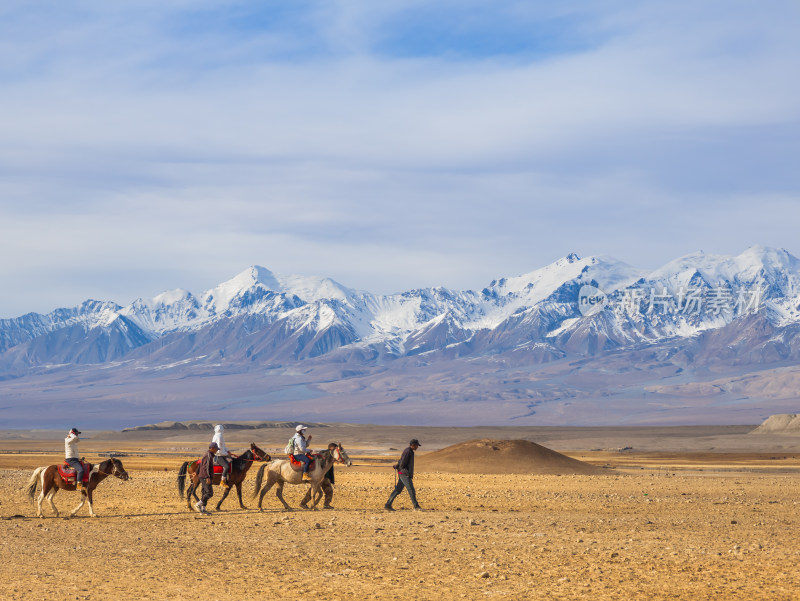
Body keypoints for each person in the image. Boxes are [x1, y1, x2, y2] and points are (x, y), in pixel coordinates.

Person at [385, 438, 422, 511]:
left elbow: (401, 460)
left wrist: (397, 466)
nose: (417, 447)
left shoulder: (409, 451)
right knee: (411, 489)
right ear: (413, 445)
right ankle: (416, 506)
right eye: (417, 445)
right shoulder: (408, 452)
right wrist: (399, 467)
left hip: (402, 473)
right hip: (404, 474)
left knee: (398, 490)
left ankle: (388, 505)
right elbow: (403, 462)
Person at [300, 442, 337, 509]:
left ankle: (326, 505)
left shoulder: (331, 456)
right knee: (313, 490)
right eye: (335, 449)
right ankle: (303, 503)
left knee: (328, 491)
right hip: (319, 476)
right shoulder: (324, 454)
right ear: (331, 448)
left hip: (325, 477)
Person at [196, 442, 218, 514]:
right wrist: (207, 477)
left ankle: (203, 509)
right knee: (209, 493)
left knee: (205, 492)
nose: (217, 450)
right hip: (204, 476)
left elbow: (201, 464)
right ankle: (198, 504)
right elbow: (206, 467)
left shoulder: (209, 455)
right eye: (216, 449)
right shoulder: (208, 455)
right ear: (212, 448)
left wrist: (196, 472)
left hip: (203, 476)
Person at [64, 427, 86, 492]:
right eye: (76, 433)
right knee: (81, 470)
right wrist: (71, 434)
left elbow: (79, 440)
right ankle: (78, 486)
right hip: (70, 459)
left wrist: (73, 434)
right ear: (73, 433)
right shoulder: (67, 439)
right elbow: (75, 438)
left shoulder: (74, 441)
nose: (77, 435)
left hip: (75, 459)